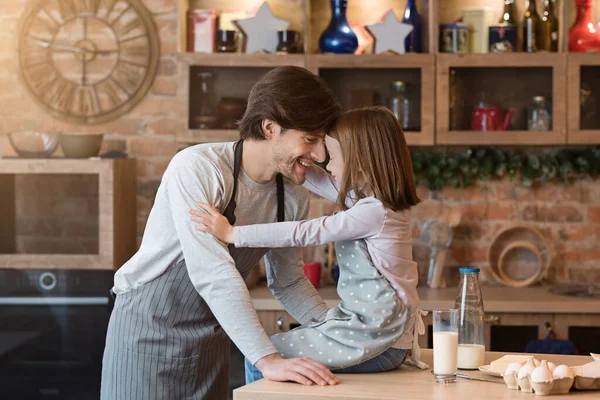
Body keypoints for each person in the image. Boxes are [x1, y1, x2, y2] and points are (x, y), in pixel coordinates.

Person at [100, 66, 342, 400]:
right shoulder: (199, 167)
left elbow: (287, 281)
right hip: (148, 333)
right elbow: (212, 271)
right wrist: (267, 359)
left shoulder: (293, 195)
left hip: (212, 336)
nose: (319, 155)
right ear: (270, 127)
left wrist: (341, 332)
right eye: (310, 140)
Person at [191, 106, 430, 384]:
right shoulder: (369, 202)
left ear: (360, 162)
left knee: (267, 354)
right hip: (382, 335)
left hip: (382, 340)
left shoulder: (374, 211)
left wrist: (233, 234)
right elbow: (316, 179)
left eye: (334, 156)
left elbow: (304, 232)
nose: (326, 165)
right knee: (273, 352)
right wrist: (282, 160)